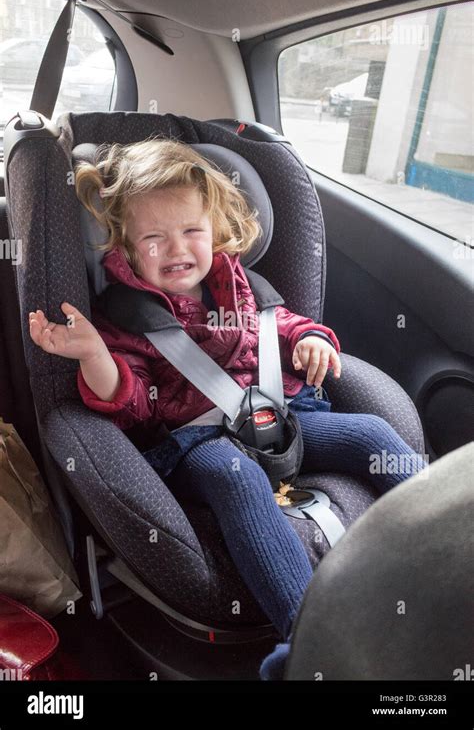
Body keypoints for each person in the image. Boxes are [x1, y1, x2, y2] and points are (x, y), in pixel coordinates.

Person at [28, 137, 428, 680]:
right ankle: (305, 634)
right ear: (123, 246)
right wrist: (95, 354)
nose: (177, 250)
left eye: (192, 232)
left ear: (215, 230)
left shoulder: (242, 286)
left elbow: (281, 327)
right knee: (237, 479)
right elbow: (131, 401)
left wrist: (312, 340)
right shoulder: (130, 318)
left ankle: (451, 537)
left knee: (371, 434)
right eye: (153, 238)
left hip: (283, 418)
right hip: (201, 441)